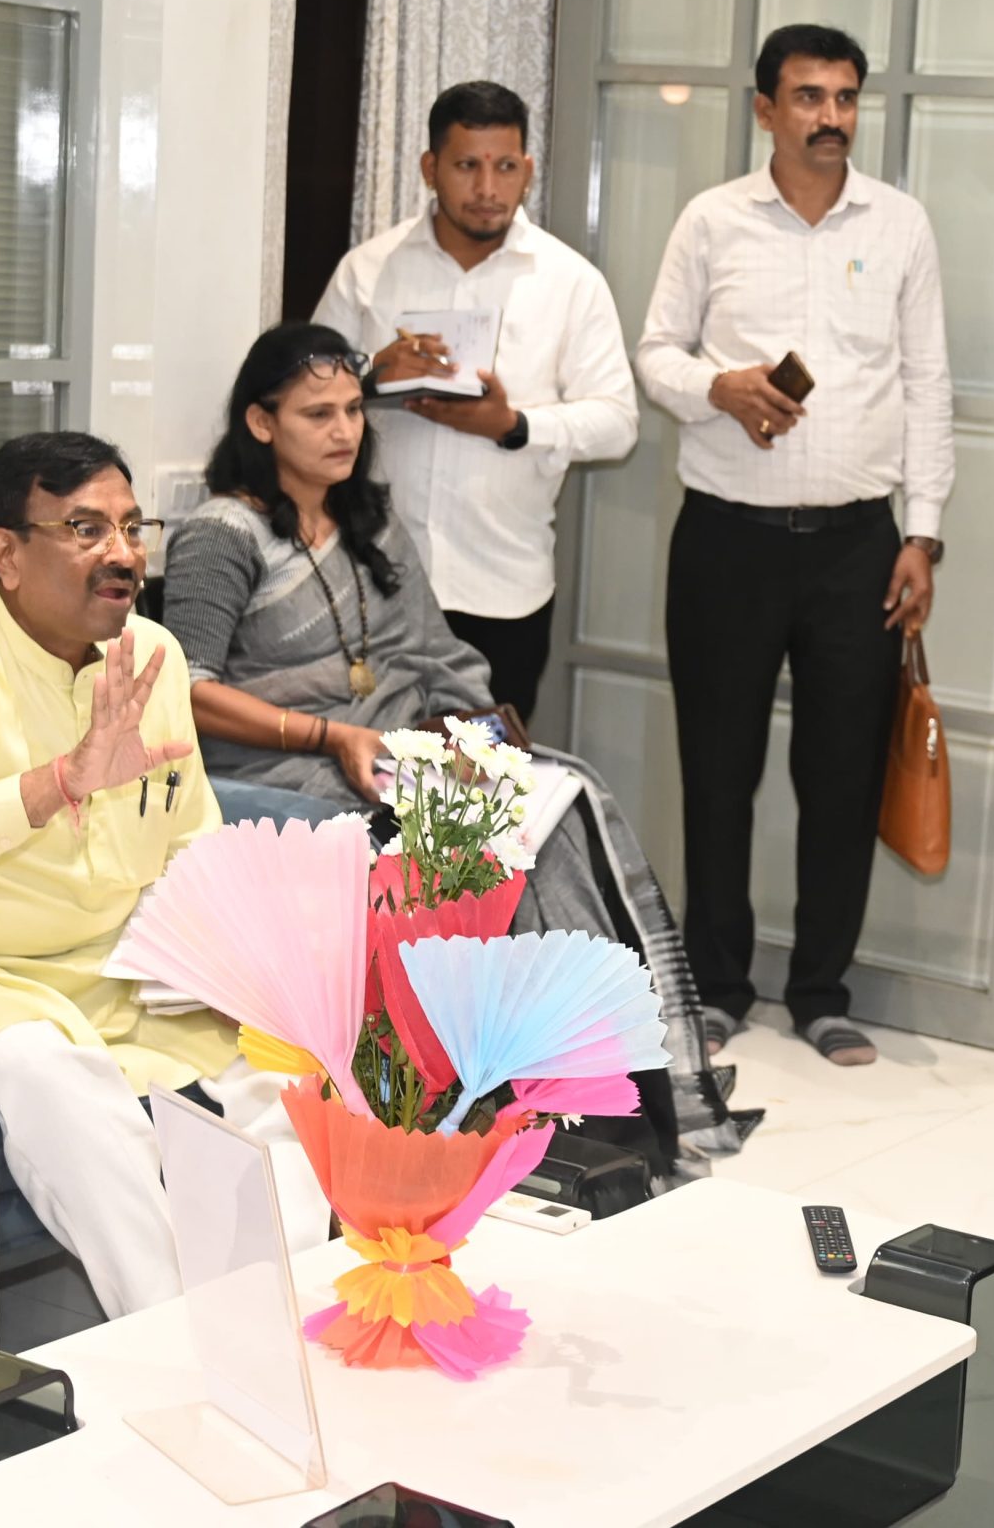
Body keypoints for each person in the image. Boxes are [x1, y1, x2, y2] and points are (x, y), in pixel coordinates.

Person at [159, 323, 710, 1175]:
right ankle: (482, 1112)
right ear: (261, 423)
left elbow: (437, 654)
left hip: (394, 749)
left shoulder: (369, 521)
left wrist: (479, 742)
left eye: (353, 410)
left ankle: (604, 1114)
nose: (344, 430)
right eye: (317, 414)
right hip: (285, 766)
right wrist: (332, 734)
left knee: (562, 805)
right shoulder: (221, 533)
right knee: (461, 851)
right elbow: (186, 690)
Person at [0, 432, 329, 1320]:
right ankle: (170, 1338)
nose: (123, 554)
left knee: (286, 1057)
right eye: (86, 529)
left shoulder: (151, 653)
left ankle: (276, 1322)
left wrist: (236, 963)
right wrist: (53, 785)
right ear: (7, 553)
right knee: (52, 1075)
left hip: (115, 968)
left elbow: (191, 843)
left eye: (132, 527)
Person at [633, 22, 954, 1068]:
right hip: (726, 540)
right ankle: (717, 987)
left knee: (842, 775)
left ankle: (821, 991)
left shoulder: (900, 224)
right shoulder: (712, 220)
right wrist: (716, 387)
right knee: (717, 774)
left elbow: (927, 385)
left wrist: (923, 533)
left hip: (859, 547)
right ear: (765, 108)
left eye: (845, 97)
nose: (830, 117)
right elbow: (654, 354)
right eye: (809, 97)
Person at [313, 79, 637, 722]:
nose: (488, 188)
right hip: (373, 580)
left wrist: (512, 425)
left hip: (504, 590)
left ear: (528, 172)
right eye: (466, 166)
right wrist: (370, 376)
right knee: (370, 768)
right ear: (430, 168)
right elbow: (304, 394)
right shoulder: (369, 270)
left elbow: (617, 423)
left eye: (506, 167)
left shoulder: (571, 282)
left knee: (482, 778)